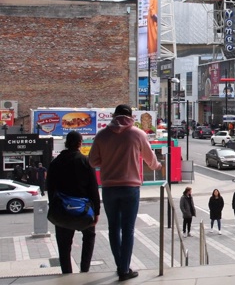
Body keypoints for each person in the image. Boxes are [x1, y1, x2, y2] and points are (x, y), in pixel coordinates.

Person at [88, 104, 162, 282]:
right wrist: (159, 166)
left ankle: (120, 265)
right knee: (128, 229)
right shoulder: (137, 134)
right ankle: (124, 269)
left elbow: (92, 161)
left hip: (109, 187)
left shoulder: (102, 135)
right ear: (131, 117)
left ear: (114, 116)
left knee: (114, 228)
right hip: (130, 187)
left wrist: (108, 159)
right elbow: (151, 160)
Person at [47, 131, 100, 274]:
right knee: (89, 237)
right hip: (84, 209)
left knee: (64, 244)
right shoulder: (85, 161)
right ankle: (84, 269)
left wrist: (53, 204)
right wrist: (97, 212)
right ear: (80, 143)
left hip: (62, 210)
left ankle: (67, 272)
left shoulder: (56, 162)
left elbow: (50, 187)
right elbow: (93, 189)